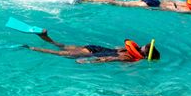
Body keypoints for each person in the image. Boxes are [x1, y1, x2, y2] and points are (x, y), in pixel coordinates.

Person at [26, 29, 160, 63]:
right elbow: (108, 59)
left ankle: (46, 37)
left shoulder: (125, 48)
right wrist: (87, 62)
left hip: (95, 47)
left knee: (62, 46)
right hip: (93, 54)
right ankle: (30, 47)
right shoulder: (128, 58)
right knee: (58, 54)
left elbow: (114, 49)